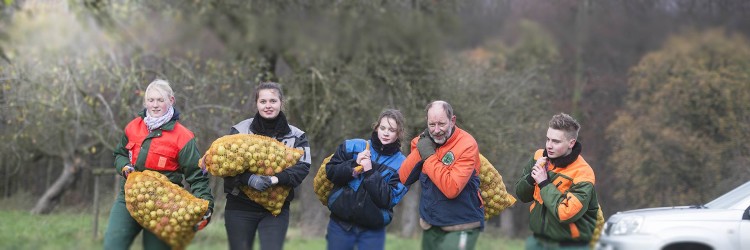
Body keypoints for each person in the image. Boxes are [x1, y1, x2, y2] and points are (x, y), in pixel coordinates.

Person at [104, 79, 214, 250]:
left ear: (171, 101)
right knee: (113, 245)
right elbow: (120, 154)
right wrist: (125, 167)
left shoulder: (183, 137)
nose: (155, 105)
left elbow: (197, 176)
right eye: (151, 100)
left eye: (160, 100)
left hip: (163, 206)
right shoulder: (133, 127)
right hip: (128, 198)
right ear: (145, 102)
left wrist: (207, 206)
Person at [224, 81, 311, 250]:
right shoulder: (239, 131)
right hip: (239, 207)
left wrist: (274, 179)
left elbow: (303, 167)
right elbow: (226, 166)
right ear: (256, 104)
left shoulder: (297, 135)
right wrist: (249, 179)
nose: (268, 106)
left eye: (273, 101)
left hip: (276, 210)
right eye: (263, 101)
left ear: (281, 103)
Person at [399, 100, 484, 250]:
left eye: (441, 124)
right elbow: (404, 177)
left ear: (452, 121)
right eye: (432, 125)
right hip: (431, 224)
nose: (437, 130)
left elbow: (452, 188)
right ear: (427, 122)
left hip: (463, 224)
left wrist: (429, 156)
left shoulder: (467, 145)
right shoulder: (423, 142)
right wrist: (421, 149)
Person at [324, 109, 409, 250]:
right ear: (376, 127)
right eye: (383, 128)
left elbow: (388, 199)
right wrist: (353, 165)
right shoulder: (353, 146)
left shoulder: (403, 165)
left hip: (373, 230)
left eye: (392, 130)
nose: (386, 133)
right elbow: (330, 172)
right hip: (340, 225)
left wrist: (370, 171)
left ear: (399, 133)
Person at [514, 113, 599, 250]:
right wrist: (532, 177)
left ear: (571, 143)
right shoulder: (538, 156)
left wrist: (544, 183)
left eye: (556, 141)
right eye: (548, 139)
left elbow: (566, 213)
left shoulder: (583, 173)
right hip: (538, 242)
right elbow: (521, 195)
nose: (549, 146)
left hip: (571, 245)